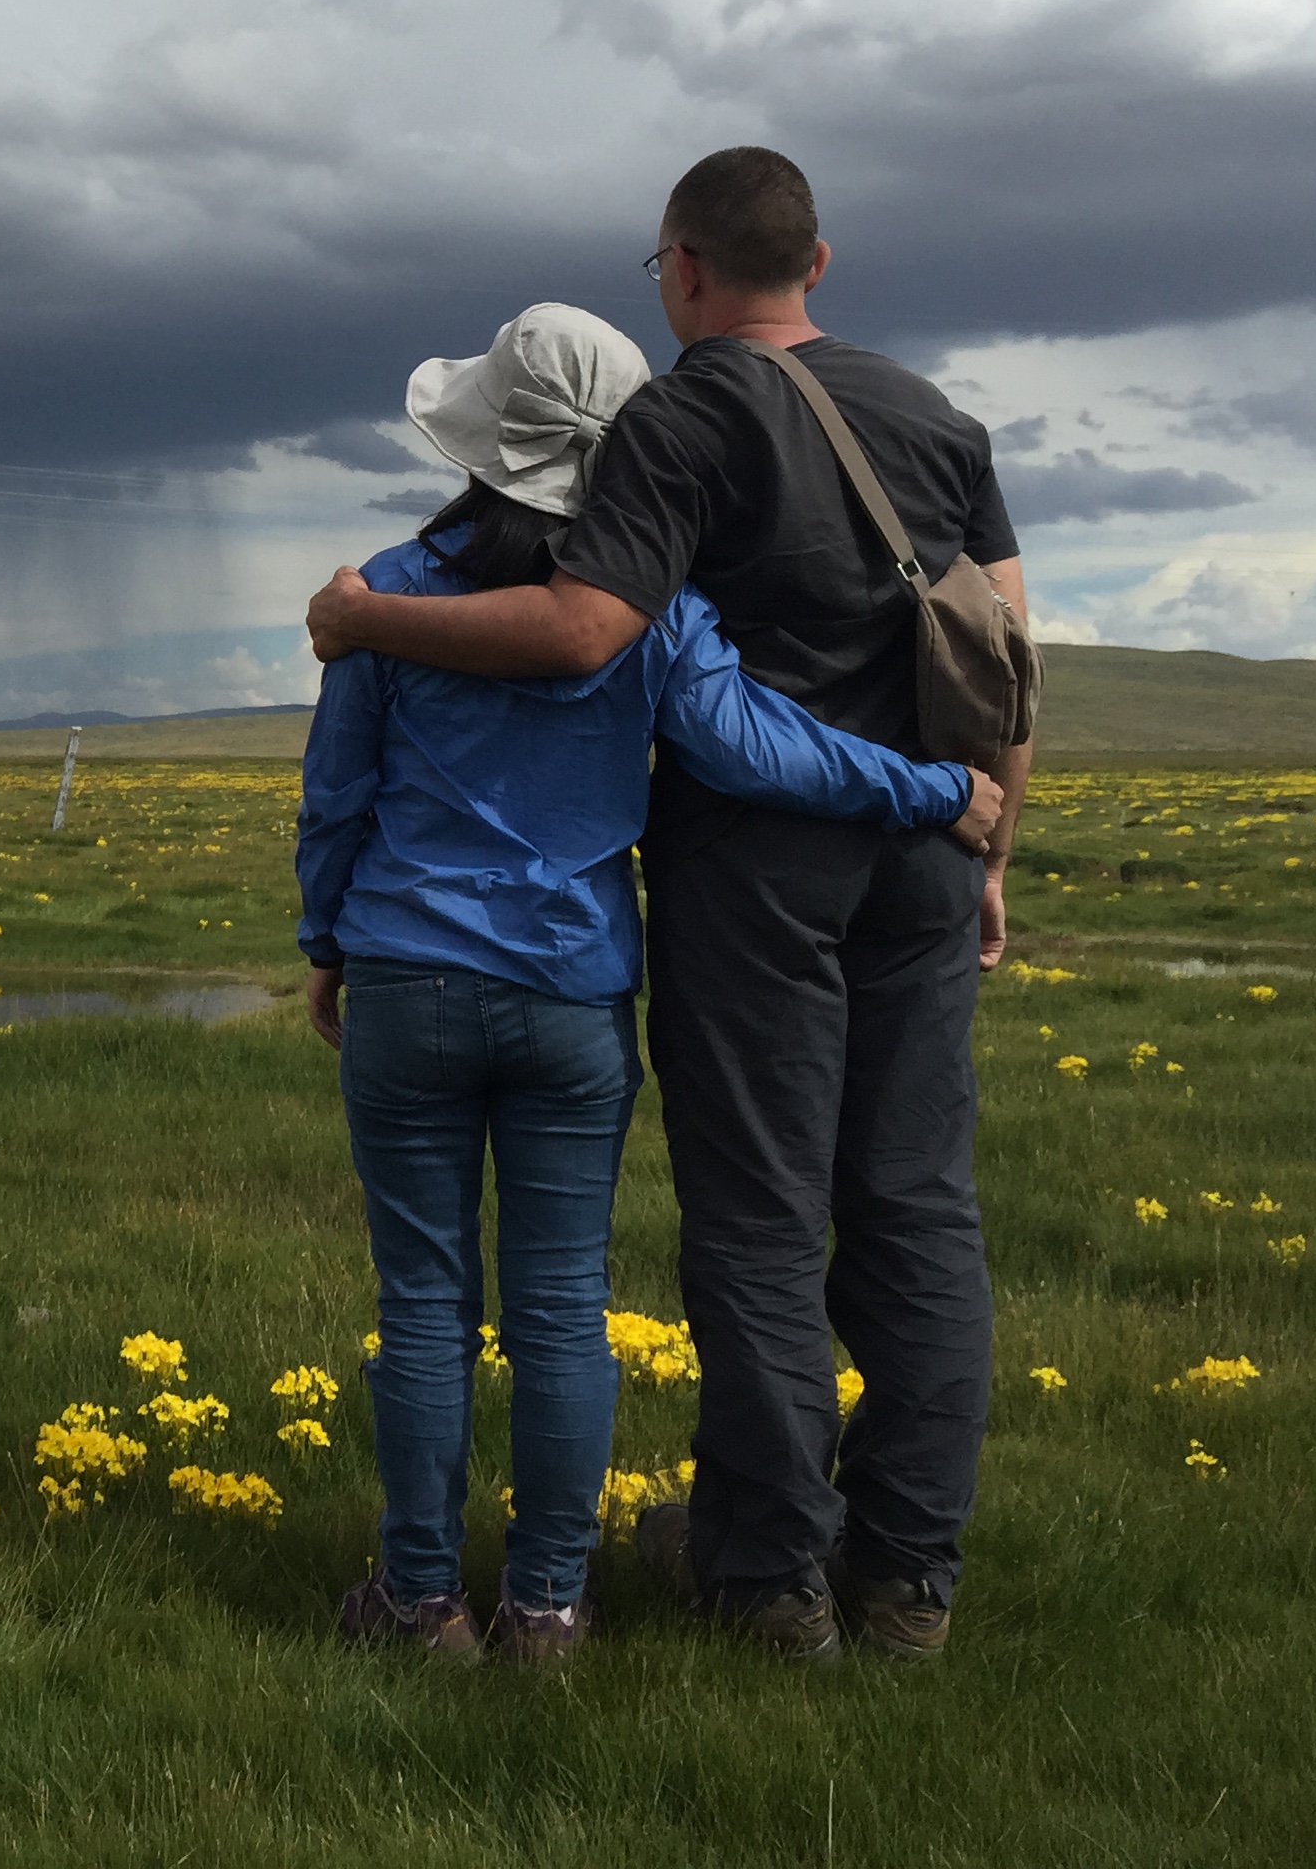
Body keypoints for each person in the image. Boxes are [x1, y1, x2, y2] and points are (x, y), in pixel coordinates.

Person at [306, 148, 1030, 1663]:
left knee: (735, 1229)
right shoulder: (934, 420)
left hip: (687, 895)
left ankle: (722, 1582)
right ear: (817, 263)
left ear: (685, 266)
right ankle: (877, 1582)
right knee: (904, 1211)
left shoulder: (656, 437)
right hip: (823, 887)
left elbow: (554, 651)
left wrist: (369, 629)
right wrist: (982, 830)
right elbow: (1000, 642)